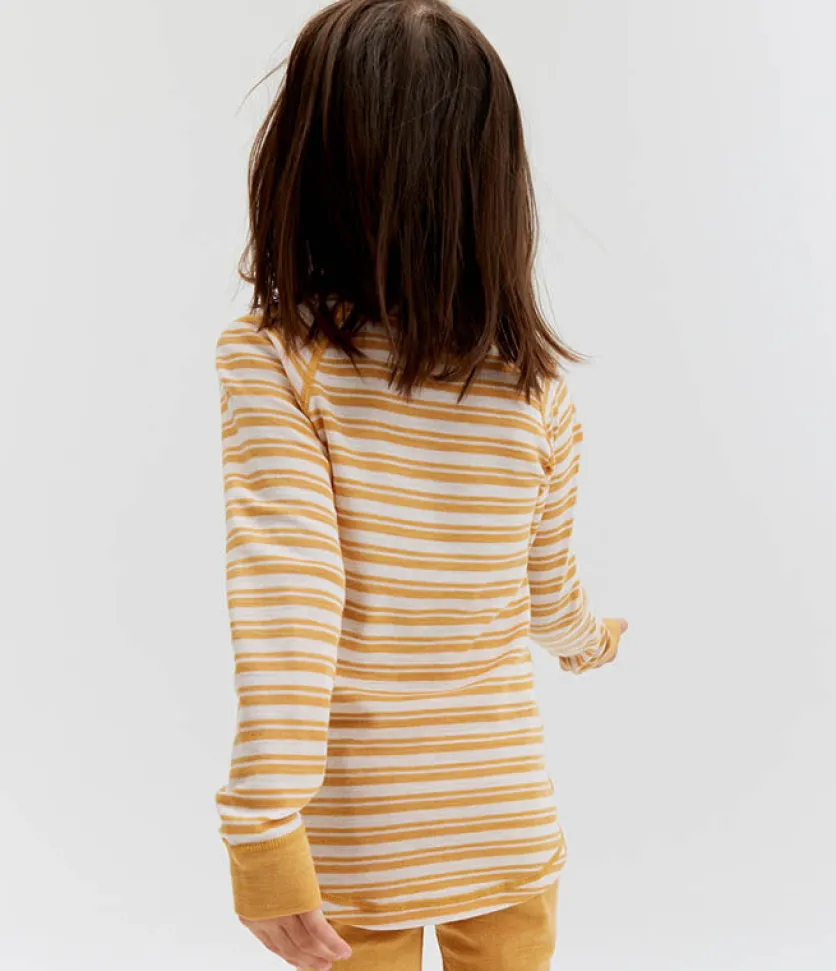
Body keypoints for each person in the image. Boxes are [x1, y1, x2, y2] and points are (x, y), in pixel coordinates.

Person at [213, 2, 627, 968]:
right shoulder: (534, 389)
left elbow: (289, 594)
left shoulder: (279, 361)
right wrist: (589, 641)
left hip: (365, 840)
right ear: (493, 187)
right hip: (509, 819)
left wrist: (263, 826)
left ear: (301, 166)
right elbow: (546, 589)